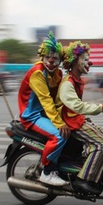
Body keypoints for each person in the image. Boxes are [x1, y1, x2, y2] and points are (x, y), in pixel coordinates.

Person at [59, 41, 103, 195]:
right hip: (71, 123)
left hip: (78, 119)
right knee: (101, 144)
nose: (88, 62)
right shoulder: (67, 83)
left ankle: (95, 175)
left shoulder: (77, 80)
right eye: (84, 59)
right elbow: (77, 106)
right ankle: (83, 180)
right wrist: (102, 107)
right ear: (74, 60)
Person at [18, 32, 70, 186]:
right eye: (48, 58)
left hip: (44, 114)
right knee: (59, 136)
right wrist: (60, 124)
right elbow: (47, 101)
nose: (51, 61)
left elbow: (59, 99)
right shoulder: (37, 73)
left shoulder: (58, 74)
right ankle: (47, 172)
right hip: (32, 116)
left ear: (61, 61)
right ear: (42, 57)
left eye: (55, 59)